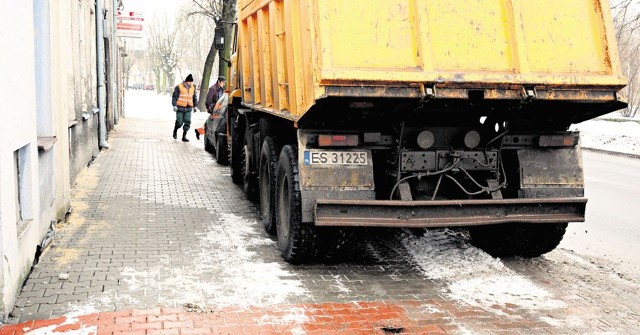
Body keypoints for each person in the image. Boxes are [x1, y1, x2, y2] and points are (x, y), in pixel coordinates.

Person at [195, 76, 226, 140]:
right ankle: (199, 131)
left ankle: (198, 131)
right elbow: (208, 101)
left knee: (210, 123)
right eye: (223, 82)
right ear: (219, 82)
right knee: (211, 124)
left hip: (218, 109)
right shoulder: (212, 89)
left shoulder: (221, 89)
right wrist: (211, 107)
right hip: (214, 109)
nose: (224, 84)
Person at [171, 74, 198, 142]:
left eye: (191, 82)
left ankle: (184, 136)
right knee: (179, 122)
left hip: (188, 108)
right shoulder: (179, 87)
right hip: (180, 108)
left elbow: (194, 98)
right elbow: (174, 97)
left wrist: (195, 106)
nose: (190, 83)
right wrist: (174, 105)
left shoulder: (192, 88)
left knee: (187, 122)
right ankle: (175, 129)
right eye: (189, 81)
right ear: (186, 81)